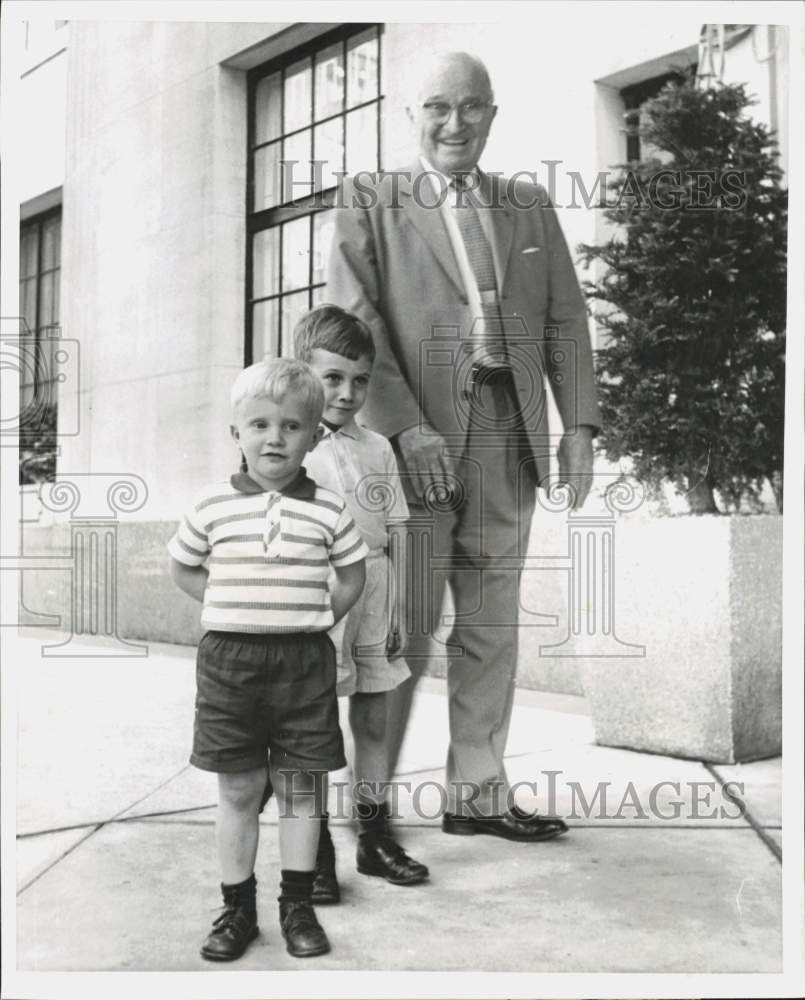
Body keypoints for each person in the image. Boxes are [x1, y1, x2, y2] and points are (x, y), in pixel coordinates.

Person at [326, 51, 601, 842]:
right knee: (401, 632)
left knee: (489, 624)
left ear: (491, 113)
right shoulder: (370, 197)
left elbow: (564, 319)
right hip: (411, 447)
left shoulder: (525, 203)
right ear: (413, 114)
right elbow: (354, 320)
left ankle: (476, 797)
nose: (454, 124)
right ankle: (370, 808)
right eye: (437, 108)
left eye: (471, 107)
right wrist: (406, 425)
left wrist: (577, 426)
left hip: (506, 436)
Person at [167, 358, 368, 961]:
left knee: (303, 786)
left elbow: (352, 576)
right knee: (238, 789)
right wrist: (227, 604)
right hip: (229, 663)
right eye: (258, 424)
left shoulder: (328, 509)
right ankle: (237, 910)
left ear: (312, 435)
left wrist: (315, 616)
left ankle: (298, 906)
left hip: (303, 662)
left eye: (290, 426)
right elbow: (183, 566)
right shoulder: (210, 507)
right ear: (237, 434)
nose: (274, 437)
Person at [294, 304, 429, 901]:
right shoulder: (288, 443)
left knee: (373, 713)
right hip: (317, 590)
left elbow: (397, 528)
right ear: (304, 374)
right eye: (332, 378)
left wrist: (398, 607)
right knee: (311, 722)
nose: (347, 393)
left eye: (359, 380)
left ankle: (373, 837)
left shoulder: (376, 446)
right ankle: (314, 849)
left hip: (373, 586)